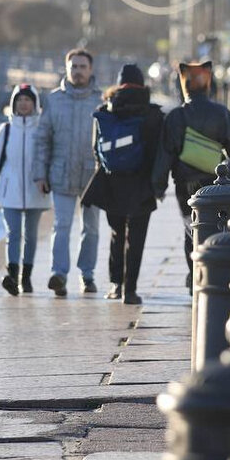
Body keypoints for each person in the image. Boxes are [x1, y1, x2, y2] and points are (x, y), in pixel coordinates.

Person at [81, 64, 168, 306]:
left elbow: (95, 148)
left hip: (112, 181)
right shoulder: (153, 114)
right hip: (142, 183)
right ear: (142, 84)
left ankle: (115, 284)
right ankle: (131, 290)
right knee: (136, 238)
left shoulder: (105, 110)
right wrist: (158, 185)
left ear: (118, 84)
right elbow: (160, 153)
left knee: (117, 233)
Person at [162, 61, 230, 291]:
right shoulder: (222, 114)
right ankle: (214, 270)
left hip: (185, 184)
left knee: (191, 227)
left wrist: (157, 185)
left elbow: (165, 154)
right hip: (215, 181)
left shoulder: (175, 117)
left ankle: (194, 271)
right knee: (216, 226)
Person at [33, 49, 102, 297]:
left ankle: (87, 275)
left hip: (91, 175)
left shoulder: (101, 100)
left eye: (83, 66)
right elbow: (42, 140)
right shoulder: (54, 100)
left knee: (91, 229)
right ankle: (59, 274)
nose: (78, 71)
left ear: (90, 70)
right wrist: (40, 174)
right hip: (60, 173)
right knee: (61, 225)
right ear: (67, 68)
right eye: (74, 66)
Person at [0, 83, 48, 296]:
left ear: (35, 103)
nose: (24, 103)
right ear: (14, 103)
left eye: (28, 100)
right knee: (13, 233)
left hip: (36, 190)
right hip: (10, 191)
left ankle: (26, 278)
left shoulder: (42, 128)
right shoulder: (6, 130)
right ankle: (12, 276)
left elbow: (50, 158)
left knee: (31, 235)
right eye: (20, 100)